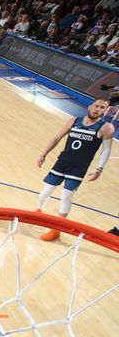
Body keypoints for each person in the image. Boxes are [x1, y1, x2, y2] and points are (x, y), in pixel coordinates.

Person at [36, 97, 114, 241]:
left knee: (66, 197)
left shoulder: (106, 127)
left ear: (105, 111)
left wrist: (99, 169)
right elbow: (57, 137)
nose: (98, 109)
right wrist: (43, 154)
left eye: (102, 108)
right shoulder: (73, 121)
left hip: (78, 168)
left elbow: (106, 150)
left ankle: (56, 230)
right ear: (90, 106)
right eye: (96, 106)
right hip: (62, 162)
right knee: (45, 191)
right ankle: (39, 209)